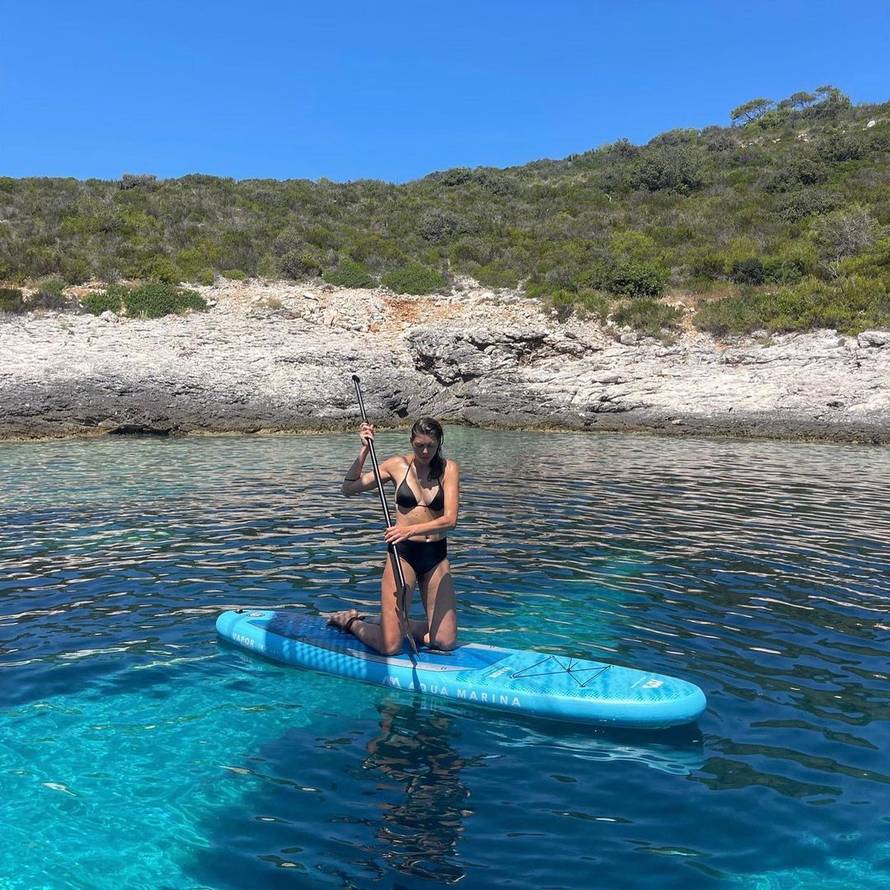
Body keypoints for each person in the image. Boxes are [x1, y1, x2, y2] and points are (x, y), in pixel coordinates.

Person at [327, 417, 459, 655]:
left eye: (431, 445)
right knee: (390, 647)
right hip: (404, 555)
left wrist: (409, 529)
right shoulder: (397, 465)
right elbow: (349, 487)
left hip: (436, 556)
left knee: (444, 641)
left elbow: (450, 519)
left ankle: (386, 622)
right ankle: (351, 621)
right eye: (420, 445)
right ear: (411, 442)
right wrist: (365, 449)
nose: (425, 451)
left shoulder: (449, 469)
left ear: (439, 443)